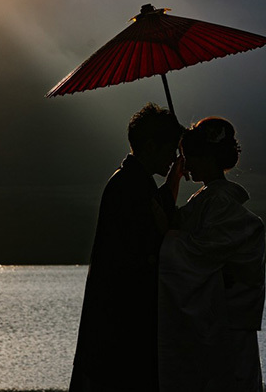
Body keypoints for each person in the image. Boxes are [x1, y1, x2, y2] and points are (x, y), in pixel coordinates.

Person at [69, 103, 184, 392]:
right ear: (150, 146)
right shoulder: (129, 188)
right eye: (171, 148)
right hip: (119, 335)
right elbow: (150, 238)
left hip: (113, 332)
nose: (173, 156)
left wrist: (175, 177)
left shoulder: (131, 182)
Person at [158, 117, 266, 392]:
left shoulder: (217, 202)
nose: (186, 162)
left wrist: (168, 241)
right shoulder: (209, 199)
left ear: (206, 157)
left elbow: (196, 254)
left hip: (224, 324)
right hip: (223, 322)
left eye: (189, 155)